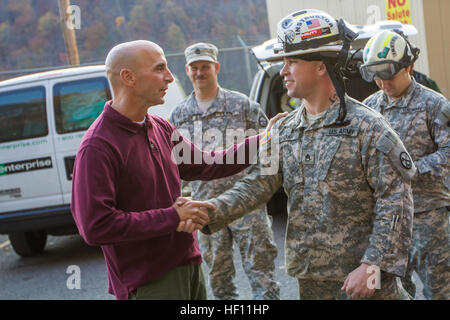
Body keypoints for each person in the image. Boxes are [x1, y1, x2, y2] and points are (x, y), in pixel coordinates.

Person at [201, 9, 416, 300]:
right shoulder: (285, 129)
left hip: (366, 283)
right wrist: (207, 211)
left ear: (320, 66)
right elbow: (255, 185)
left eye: (292, 62)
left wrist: (374, 265)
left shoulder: (368, 127)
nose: (283, 70)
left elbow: (396, 201)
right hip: (311, 280)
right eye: (283, 62)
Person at [70, 40, 284, 300]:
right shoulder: (98, 146)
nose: (170, 77)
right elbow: (95, 226)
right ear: (129, 77)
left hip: (188, 265)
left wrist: (264, 140)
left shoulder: (160, 126)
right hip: (149, 280)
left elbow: (205, 163)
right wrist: (171, 216)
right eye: (160, 69)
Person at [168, 42, 280, 300]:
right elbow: (176, 167)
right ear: (187, 70)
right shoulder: (179, 116)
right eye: (194, 67)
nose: (199, 72)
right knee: (220, 284)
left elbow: (268, 150)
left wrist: (265, 191)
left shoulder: (243, 105)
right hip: (205, 209)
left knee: (263, 280)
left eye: (205, 66)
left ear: (216, 67)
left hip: (246, 208)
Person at [360, 30, 450, 299]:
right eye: (377, 77)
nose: (383, 83)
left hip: (428, 215)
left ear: (408, 66)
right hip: (387, 220)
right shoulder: (369, 109)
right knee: (392, 291)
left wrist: (411, 170)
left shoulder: (434, 105)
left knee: (439, 289)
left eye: (389, 75)